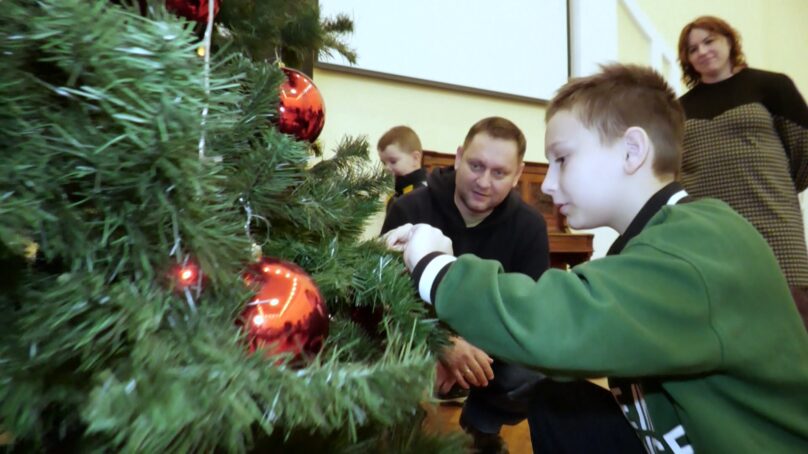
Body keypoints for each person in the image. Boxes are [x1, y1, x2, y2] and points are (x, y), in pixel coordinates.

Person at [386, 64, 808, 453]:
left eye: (562, 159)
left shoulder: (701, 246)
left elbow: (557, 319)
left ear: (631, 151)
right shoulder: (658, 240)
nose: (548, 184)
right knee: (557, 399)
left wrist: (435, 267)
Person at [381, 117, 550, 453]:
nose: (484, 182)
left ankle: (481, 425)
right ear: (458, 158)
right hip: (416, 340)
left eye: (499, 173)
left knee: (540, 367)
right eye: (475, 165)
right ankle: (401, 418)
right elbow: (381, 298)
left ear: (517, 176)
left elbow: (528, 315)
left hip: (486, 351)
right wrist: (441, 344)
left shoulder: (530, 227)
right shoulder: (409, 209)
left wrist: (469, 348)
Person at [677, 16, 808, 328]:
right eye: (693, 49)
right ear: (688, 60)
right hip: (712, 229)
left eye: (709, 41)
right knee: (727, 317)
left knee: (792, 314)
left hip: (773, 218)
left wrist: (775, 186)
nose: (703, 51)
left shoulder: (771, 85)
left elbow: (804, 146)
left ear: (729, 40)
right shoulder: (679, 108)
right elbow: (676, 168)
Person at [377, 125, 428, 211]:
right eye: (383, 163)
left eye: (393, 161)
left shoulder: (424, 194)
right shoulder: (396, 193)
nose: (387, 168)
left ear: (415, 158)